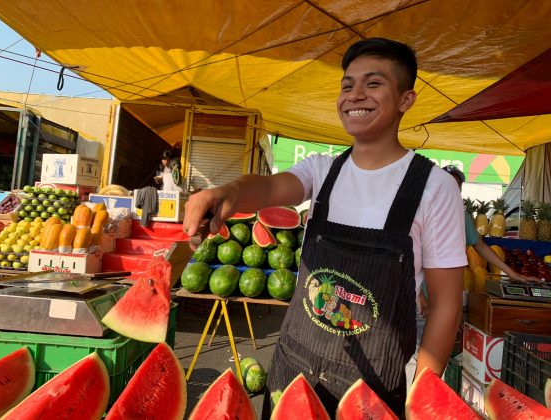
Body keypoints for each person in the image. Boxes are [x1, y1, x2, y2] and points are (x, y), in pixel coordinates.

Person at [183, 38, 466, 416]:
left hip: (373, 388)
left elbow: (446, 303)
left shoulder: (434, 187)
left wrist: (422, 397)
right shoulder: (322, 170)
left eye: (373, 83)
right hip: (293, 371)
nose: (355, 94)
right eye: (347, 85)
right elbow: (268, 188)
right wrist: (228, 192)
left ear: (406, 99)